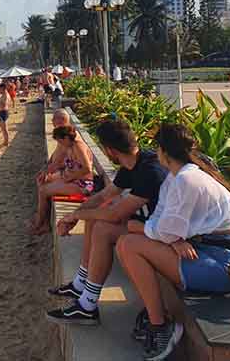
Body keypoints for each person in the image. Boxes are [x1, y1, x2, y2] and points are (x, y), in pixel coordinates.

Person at [115, 124, 230, 360]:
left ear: (163, 151)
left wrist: (154, 232)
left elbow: (162, 229)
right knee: (127, 242)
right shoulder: (175, 178)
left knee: (130, 244)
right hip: (203, 250)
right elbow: (160, 221)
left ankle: (160, 326)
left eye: (157, 148)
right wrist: (172, 239)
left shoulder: (186, 179)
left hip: (224, 264)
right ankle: (156, 317)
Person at [47, 118, 168, 326]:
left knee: (102, 228)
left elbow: (115, 215)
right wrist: (76, 214)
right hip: (149, 225)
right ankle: (80, 284)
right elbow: (103, 196)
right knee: (95, 218)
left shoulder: (150, 170)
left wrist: (75, 216)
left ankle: (87, 305)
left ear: (109, 150)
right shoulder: (134, 162)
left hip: (166, 233)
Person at [30, 126, 94, 234]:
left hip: (82, 184)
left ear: (66, 138)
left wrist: (70, 177)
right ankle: (44, 221)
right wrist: (46, 172)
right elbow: (58, 162)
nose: (60, 144)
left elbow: (87, 168)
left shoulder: (78, 146)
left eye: (60, 141)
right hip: (70, 179)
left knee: (43, 191)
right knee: (43, 181)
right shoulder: (70, 146)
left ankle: (40, 222)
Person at [0, 82, 11, 147]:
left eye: (0, 88)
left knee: (5, 128)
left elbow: (4, 105)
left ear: (3, 88)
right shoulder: (3, 94)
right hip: (1, 112)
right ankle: (5, 141)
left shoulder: (6, 95)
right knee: (3, 129)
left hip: (3, 112)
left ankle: (6, 142)